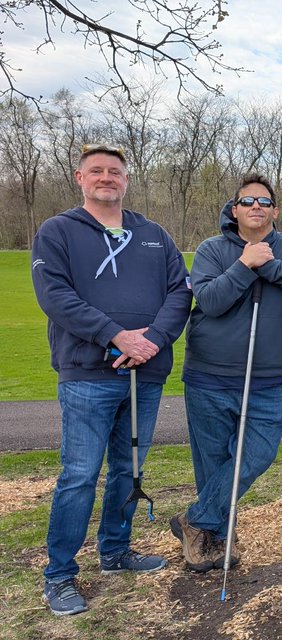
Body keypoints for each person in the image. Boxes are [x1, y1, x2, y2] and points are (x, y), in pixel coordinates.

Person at [31, 143, 191, 615]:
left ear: (126, 179)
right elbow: (54, 295)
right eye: (96, 171)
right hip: (87, 373)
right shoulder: (58, 231)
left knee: (129, 468)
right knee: (80, 474)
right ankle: (59, 575)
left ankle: (116, 552)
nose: (106, 177)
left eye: (115, 171)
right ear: (79, 178)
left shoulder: (154, 235)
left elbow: (179, 296)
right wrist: (116, 336)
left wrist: (152, 342)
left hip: (147, 372)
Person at [171, 173, 282, 573]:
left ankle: (196, 520)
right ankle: (214, 540)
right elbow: (211, 299)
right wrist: (243, 264)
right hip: (209, 375)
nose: (256, 207)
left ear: (275, 210)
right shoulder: (211, 249)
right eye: (247, 202)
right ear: (234, 210)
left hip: (266, 378)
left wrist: (267, 264)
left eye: (264, 201)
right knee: (212, 462)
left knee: (257, 453)